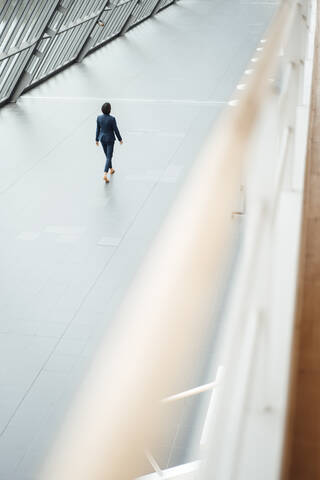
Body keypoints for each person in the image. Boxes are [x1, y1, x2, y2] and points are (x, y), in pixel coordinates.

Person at [95, 102, 123, 183]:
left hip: (102, 138)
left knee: (107, 155)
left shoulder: (99, 118)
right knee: (109, 156)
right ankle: (105, 174)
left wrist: (96, 139)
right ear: (110, 110)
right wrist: (120, 139)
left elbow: (97, 129)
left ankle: (111, 169)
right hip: (110, 139)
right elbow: (116, 130)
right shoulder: (112, 119)